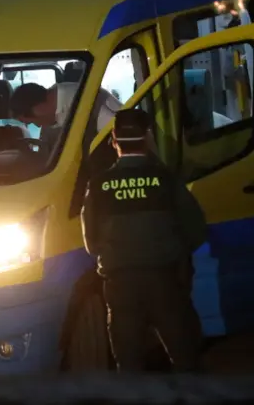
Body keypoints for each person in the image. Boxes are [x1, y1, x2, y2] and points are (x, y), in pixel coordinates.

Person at [80, 108, 207, 372]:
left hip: (120, 285)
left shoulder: (100, 185)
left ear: (113, 140)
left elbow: (91, 243)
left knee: (129, 366)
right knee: (186, 360)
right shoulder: (166, 180)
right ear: (148, 138)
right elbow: (196, 229)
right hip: (166, 280)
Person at [10, 81, 122, 134]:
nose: (38, 125)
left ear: (39, 108)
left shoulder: (85, 103)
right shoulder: (57, 117)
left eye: (32, 122)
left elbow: (122, 135)